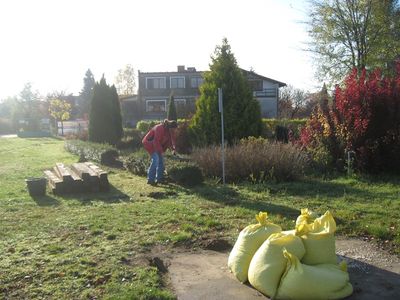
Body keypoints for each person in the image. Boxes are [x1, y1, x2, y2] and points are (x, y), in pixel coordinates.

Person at [142, 119, 177, 185]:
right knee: (156, 160)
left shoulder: (168, 131)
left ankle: (159, 179)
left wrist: (173, 149)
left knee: (160, 161)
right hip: (149, 143)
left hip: (156, 145)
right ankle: (150, 180)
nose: (174, 131)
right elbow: (156, 141)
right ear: (170, 127)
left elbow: (169, 141)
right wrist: (160, 151)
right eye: (173, 129)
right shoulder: (159, 128)